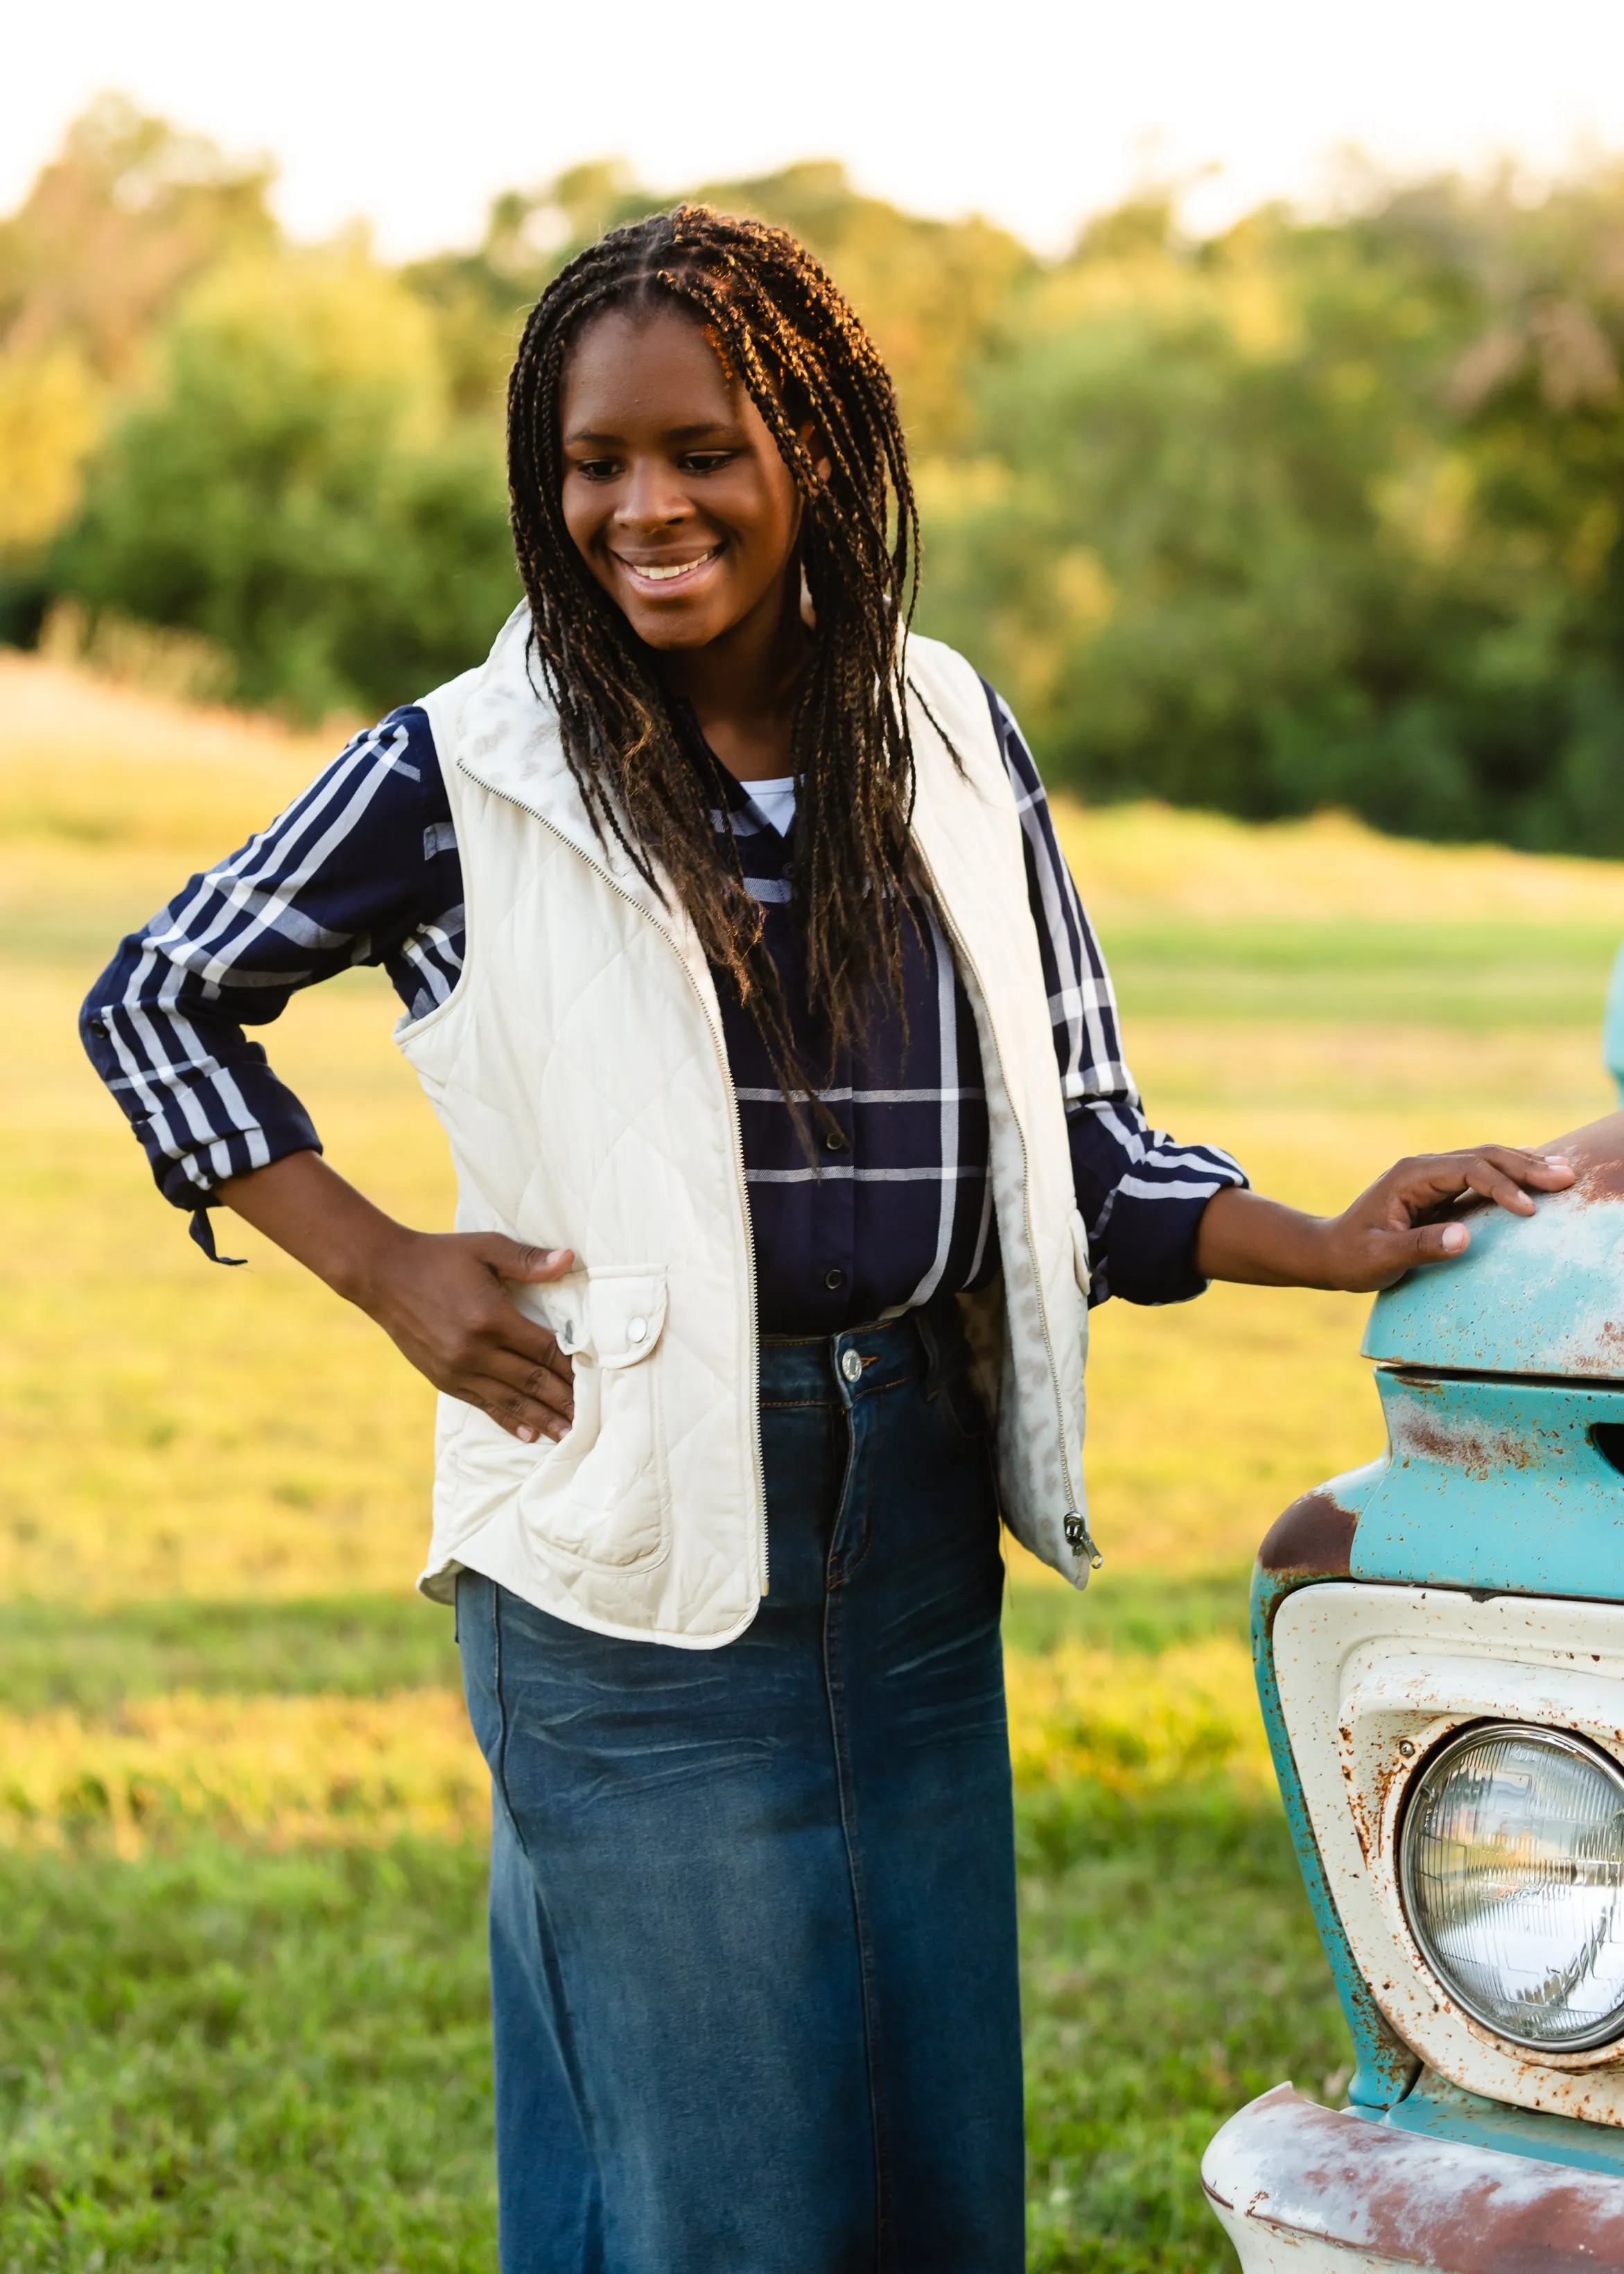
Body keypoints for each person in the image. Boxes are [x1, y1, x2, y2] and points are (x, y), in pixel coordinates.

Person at [80, 207, 1573, 2274]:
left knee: (929, 2173)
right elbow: (157, 996)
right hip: (625, 1563)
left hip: (911, 1532)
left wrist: (1321, 1237)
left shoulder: (947, 728)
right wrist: (381, 1263)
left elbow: (1070, 1140)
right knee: (717, 2201)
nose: (642, 506)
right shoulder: (464, 768)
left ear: (811, 448)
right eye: (591, 463)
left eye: (697, 448)